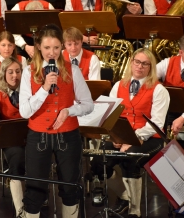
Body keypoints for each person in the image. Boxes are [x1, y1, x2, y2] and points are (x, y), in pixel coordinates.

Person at [19, 24, 93, 218]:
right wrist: (44, 88)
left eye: (56, 47)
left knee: (70, 188)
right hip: (38, 136)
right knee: (34, 191)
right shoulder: (29, 71)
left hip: (68, 136)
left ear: (62, 47)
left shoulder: (72, 70)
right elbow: (25, 111)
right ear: (38, 47)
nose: (51, 53)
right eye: (46, 48)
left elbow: (88, 104)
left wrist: (69, 110)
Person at [91, 48, 170, 218]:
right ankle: (125, 197)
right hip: (122, 136)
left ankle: (135, 211)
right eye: (137, 62)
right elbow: (110, 117)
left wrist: (134, 139)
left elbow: (157, 124)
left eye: (145, 64)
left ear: (151, 67)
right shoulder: (119, 85)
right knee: (98, 160)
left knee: (131, 157)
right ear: (131, 62)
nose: (140, 66)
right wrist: (115, 137)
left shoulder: (159, 90)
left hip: (150, 138)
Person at [0, 57, 25, 217]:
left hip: (31, 137)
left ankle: (36, 198)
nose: (14, 75)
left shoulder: (30, 92)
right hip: (10, 141)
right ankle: (20, 210)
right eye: (11, 72)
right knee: (17, 158)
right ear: (3, 74)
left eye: (17, 71)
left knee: (39, 156)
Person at [156, 35, 184, 140]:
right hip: (170, 110)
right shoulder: (168, 63)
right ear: (180, 52)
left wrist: (182, 118)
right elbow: (149, 77)